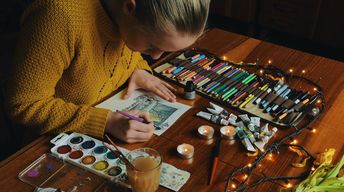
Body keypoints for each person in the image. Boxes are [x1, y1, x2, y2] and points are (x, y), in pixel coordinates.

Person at [4, 0, 210, 144]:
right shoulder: (60, 17)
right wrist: (105, 122)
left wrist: (136, 70)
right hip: (50, 146)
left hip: (109, 137)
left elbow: (114, 58)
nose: (156, 58)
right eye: (151, 46)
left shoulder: (124, 19)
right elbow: (23, 104)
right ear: (129, 7)